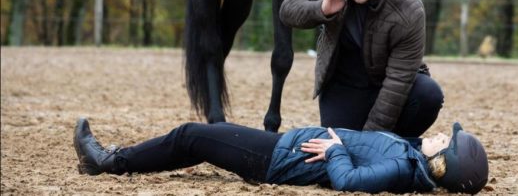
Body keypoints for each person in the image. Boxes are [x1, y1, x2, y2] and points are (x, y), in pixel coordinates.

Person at [279, 0, 444, 137]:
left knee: (429, 94)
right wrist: (323, 8)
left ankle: (396, 143)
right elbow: (287, 10)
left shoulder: (409, 9)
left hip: (387, 83)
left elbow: (397, 83)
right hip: (343, 84)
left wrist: (370, 140)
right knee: (341, 146)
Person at [74, 117, 489, 194]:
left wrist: (335, 150)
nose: (437, 135)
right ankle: (123, 160)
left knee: (190, 136)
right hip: (283, 148)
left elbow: (349, 183)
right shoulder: (412, 159)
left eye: (444, 140)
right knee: (202, 141)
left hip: (277, 159)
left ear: (444, 162)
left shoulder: (402, 168)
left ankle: (109, 161)